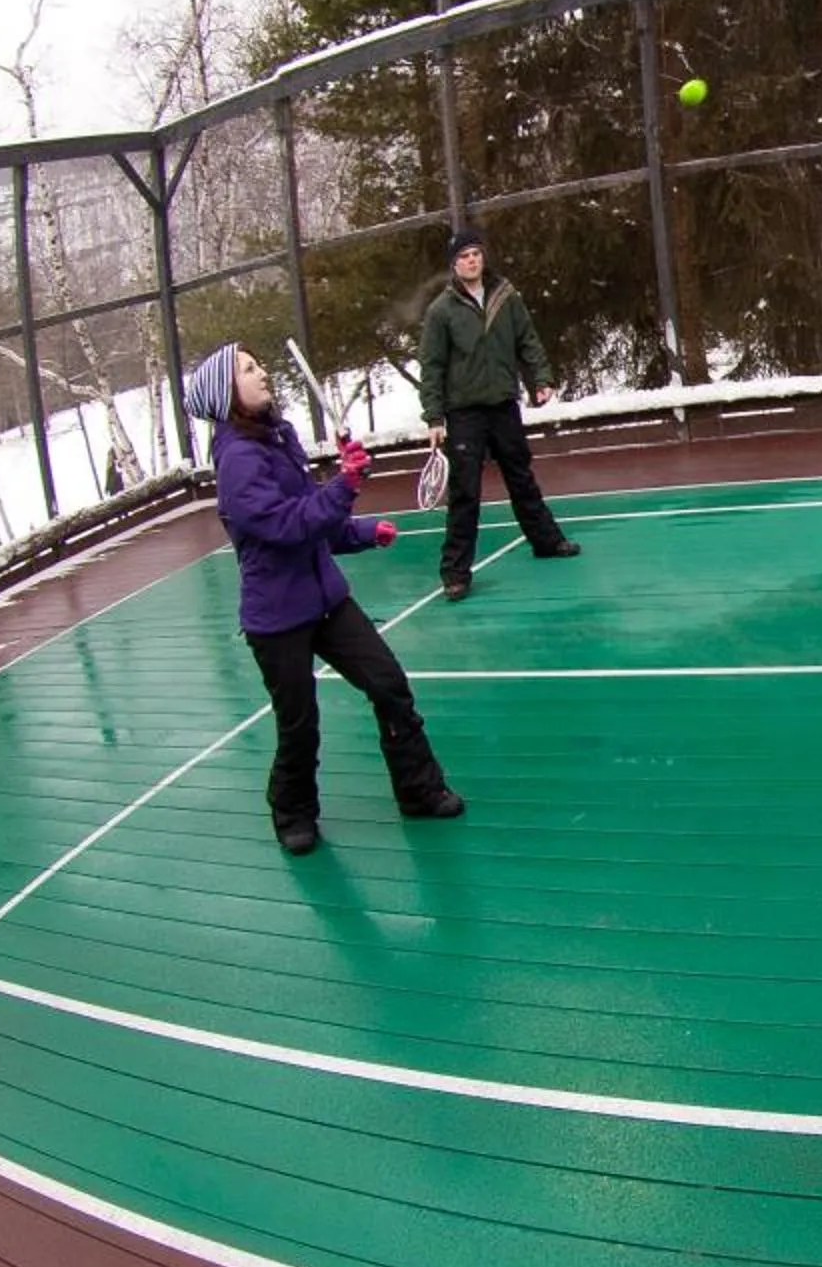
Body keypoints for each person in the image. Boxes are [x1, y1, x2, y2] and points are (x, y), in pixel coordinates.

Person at [184, 344, 466, 855]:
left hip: (327, 600)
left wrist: (358, 531)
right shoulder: (238, 462)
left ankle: (419, 791)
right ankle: (291, 812)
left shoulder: (276, 438)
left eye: (257, 361)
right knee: (299, 723)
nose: (262, 371)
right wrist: (346, 485)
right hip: (277, 619)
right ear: (227, 396)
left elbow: (313, 520)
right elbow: (286, 525)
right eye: (248, 368)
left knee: (388, 685)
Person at [418, 224, 579, 601]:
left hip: (504, 405)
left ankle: (547, 542)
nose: (471, 261)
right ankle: (456, 574)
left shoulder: (506, 297)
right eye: (463, 257)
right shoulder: (441, 311)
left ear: (482, 258)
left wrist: (541, 377)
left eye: (475, 254)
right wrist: (435, 418)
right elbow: (432, 366)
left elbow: (528, 339)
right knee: (465, 493)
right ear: (454, 265)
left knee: (521, 477)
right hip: (464, 415)